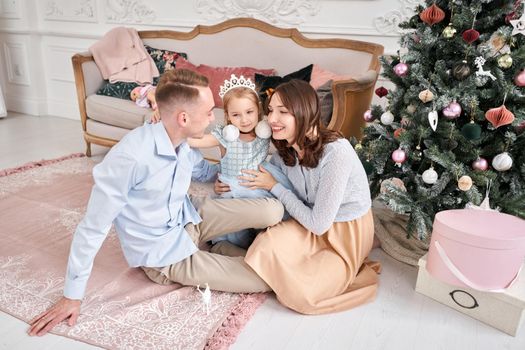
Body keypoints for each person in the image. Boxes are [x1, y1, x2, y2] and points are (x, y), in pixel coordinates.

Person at [28, 68, 283, 336]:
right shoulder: (131, 157)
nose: (213, 117)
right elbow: (92, 228)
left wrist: (226, 176)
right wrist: (72, 295)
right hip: (165, 256)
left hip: (191, 216)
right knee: (268, 277)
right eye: (209, 111)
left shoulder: (182, 141)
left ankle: (218, 246)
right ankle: (218, 251)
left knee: (272, 210)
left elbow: (204, 172)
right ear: (183, 118)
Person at [218, 79, 380, 314]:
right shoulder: (285, 149)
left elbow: (319, 224)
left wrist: (275, 187)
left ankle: (231, 258)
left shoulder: (337, 153)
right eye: (271, 110)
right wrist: (225, 181)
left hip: (342, 234)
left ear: (304, 112)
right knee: (267, 244)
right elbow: (256, 173)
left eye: (283, 112)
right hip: (308, 223)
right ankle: (226, 252)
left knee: (304, 292)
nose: (272, 119)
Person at [152, 73, 292, 249]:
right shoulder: (226, 136)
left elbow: (288, 132)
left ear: (258, 110)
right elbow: (196, 141)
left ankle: (264, 245)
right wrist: (168, 125)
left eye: (249, 112)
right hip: (232, 189)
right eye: (236, 115)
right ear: (228, 116)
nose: (245, 120)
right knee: (235, 234)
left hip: (256, 188)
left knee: (272, 218)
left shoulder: (264, 133)